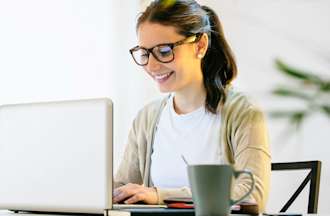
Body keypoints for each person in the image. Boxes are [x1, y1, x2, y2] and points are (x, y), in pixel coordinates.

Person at [113, 0, 271, 213]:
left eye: (165, 50)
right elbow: (121, 189)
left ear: (200, 45)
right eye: (145, 52)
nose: (151, 65)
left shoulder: (243, 112)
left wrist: (160, 195)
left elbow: (252, 195)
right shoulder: (148, 117)